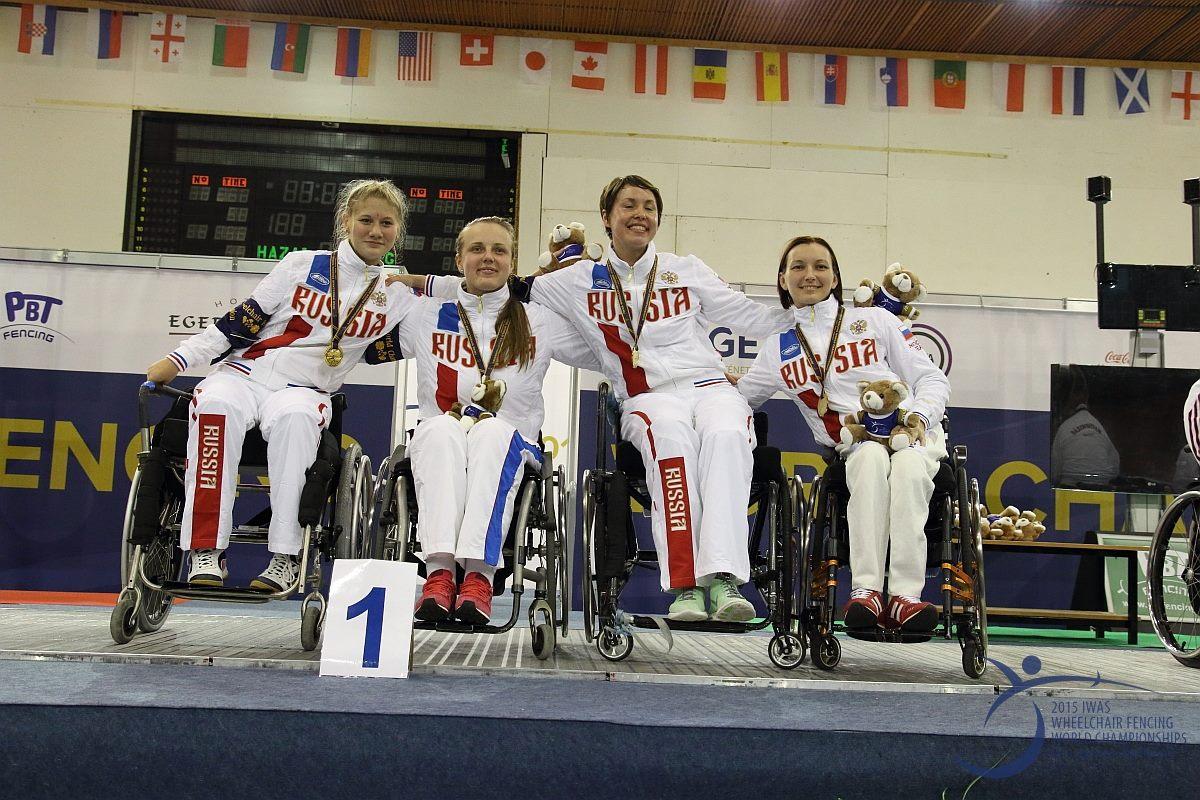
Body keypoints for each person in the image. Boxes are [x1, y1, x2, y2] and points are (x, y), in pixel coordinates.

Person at [394, 176, 793, 623]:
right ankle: (684, 585)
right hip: (649, 396)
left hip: (709, 386)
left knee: (725, 437)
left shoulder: (687, 269)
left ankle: (722, 579)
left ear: (659, 219)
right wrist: (417, 281)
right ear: (607, 218)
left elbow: (748, 315)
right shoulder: (574, 280)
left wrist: (803, 307)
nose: (639, 213)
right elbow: (497, 287)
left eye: (648, 206)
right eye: (628, 205)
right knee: (672, 445)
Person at [145, 179, 418, 592]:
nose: (375, 231)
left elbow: (459, 311)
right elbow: (241, 321)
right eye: (366, 220)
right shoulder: (300, 264)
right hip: (244, 376)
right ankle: (205, 550)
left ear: (398, 230)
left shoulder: (398, 293)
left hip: (305, 391)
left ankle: (287, 556)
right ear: (346, 221)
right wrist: (180, 359)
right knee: (214, 404)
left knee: (295, 419)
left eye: (386, 222)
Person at [735, 235, 951, 632]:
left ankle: (906, 597)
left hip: (911, 435)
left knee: (905, 467)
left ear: (835, 278)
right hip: (852, 447)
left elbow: (931, 378)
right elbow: (739, 400)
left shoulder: (875, 321)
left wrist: (919, 417)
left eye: (820, 266)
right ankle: (866, 593)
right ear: (782, 280)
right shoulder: (777, 347)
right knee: (868, 459)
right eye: (798, 267)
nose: (809, 275)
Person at [399, 217, 597, 625]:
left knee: (491, 432)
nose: (488, 257)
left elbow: (602, 351)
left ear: (512, 263)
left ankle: (477, 578)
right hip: (444, 433)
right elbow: (362, 327)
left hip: (511, 440)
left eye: (499, 250)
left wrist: (576, 288)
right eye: (477, 249)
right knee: (438, 430)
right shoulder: (424, 315)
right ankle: (438, 574)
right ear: (459, 260)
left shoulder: (538, 319)